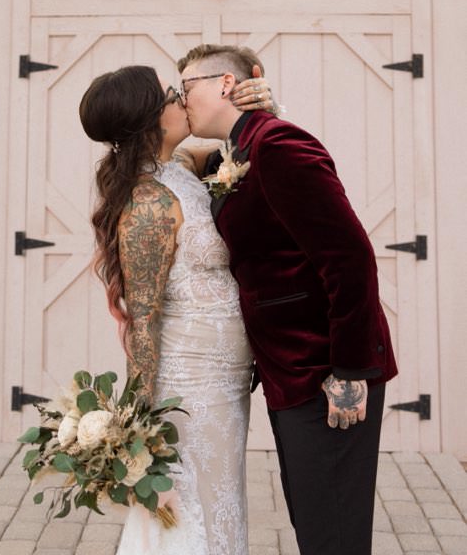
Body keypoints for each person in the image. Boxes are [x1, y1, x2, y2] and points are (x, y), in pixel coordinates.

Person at [177, 44, 398, 555]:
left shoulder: (278, 145)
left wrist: (350, 371)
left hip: (324, 372)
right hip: (289, 373)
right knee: (316, 524)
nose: (181, 99)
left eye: (186, 87)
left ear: (226, 84)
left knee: (332, 534)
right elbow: (179, 159)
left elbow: (349, 258)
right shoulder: (238, 150)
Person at [78, 64, 273, 555]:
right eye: (170, 95)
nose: (180, 100)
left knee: (222, 501)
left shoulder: (181, 166)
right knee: (193, 510)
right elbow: (143, 321)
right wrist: (139, 441)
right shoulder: (147, 204)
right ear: (148, 119)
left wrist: (258, 106)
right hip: (191, 383)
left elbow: (242, 147)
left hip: (226, 378)